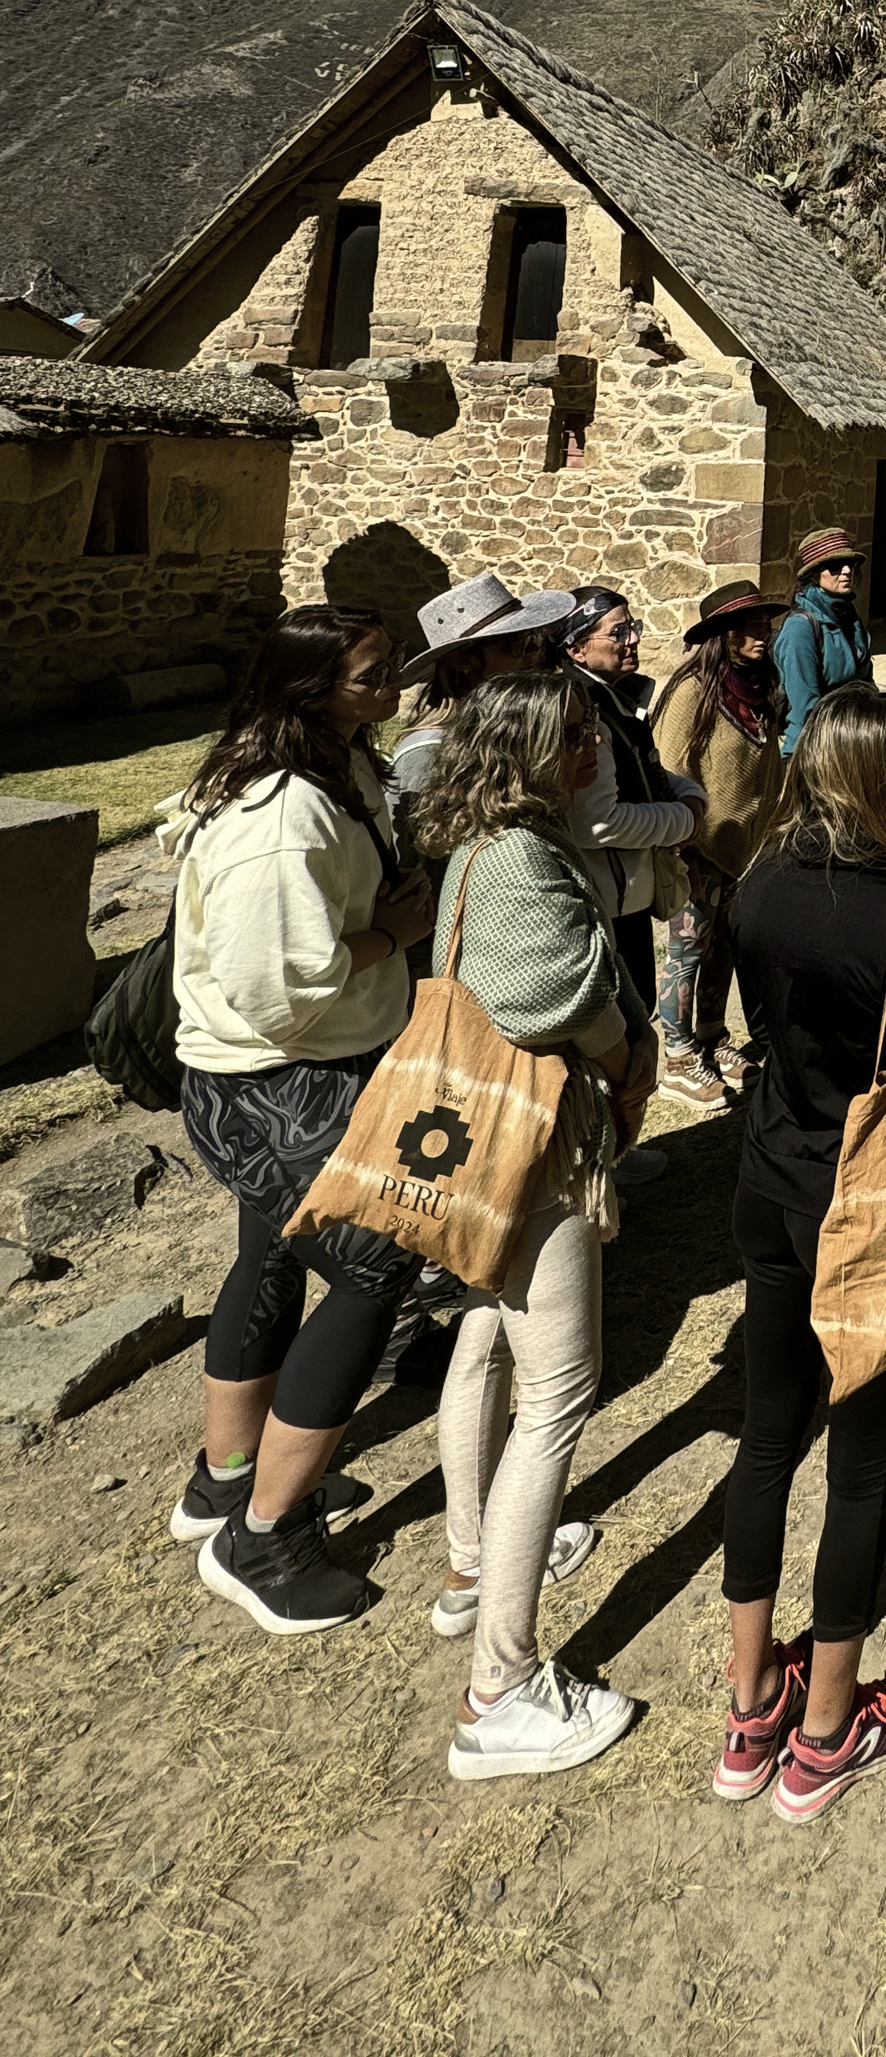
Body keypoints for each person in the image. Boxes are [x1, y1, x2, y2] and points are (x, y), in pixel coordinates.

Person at [712, 689, 886, 1820]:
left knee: (767, 1439)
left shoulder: (755, 883)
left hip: (770, 1180)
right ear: (882, 776)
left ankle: (748, 1699)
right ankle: (825, 1727)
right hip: (861, 1205)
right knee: (858, 1464)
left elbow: (745, 1029)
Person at [408, 670, 656, 1779]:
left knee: (482, 1340)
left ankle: (471, 1564)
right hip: (533, 1146)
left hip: (476, 1140)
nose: (591, 753)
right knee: (558, 1392)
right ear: (528, 751)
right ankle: (500, 1690)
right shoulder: (516, 858)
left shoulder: (481, 846)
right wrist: (629, 1055)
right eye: (576, 738)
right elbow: (557, 998)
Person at [168, 605, 434, 1632]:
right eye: (372, 675)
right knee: (375, 1264)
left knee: (270, 1257)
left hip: (310, 1061)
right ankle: (265, 1538)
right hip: (275, 1077)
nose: (392, 686)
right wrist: (388, 935)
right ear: (309, 688)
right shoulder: (279, 818)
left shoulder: (337, 765)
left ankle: (225, 1477)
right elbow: (274, 986)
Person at [649, 583, 791, 1115]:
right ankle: (678, 1056)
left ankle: (709, 1034)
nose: (761, 635)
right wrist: (683, 837)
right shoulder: (694, 692)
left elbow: (767, 767)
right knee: (686, 951)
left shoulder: (760, 688)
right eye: (749, 627)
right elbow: (667, 768)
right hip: (697, 849)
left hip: (746, 847)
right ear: (722, 637)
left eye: (764, 625)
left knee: (725, 945)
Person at [562, 585, 700, 1025]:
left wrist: (683, 789)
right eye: (618, 633)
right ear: (577, 649)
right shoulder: (586, 712)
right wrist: (683, 819)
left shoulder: (612, 698)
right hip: (607, 908)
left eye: (632, 628)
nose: (634, 640)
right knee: (624, 1028)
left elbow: (637, 765)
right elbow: (597, 823)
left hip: (626, 900)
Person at [387, 573, 578, 813]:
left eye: (535, 638)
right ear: (464, 662)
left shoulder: (509, 730)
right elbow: (415, 844)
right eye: (517, 644)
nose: (534, 652)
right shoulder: (427, 752)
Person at [775, 525, 877, 753]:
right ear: (815, 574)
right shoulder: (800, 628)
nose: (846, 571)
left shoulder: (851, 618)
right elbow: (806, 707)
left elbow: (866, 681)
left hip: (851, 738)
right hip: (813, 747)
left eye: (850, 564)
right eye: (834, 567)